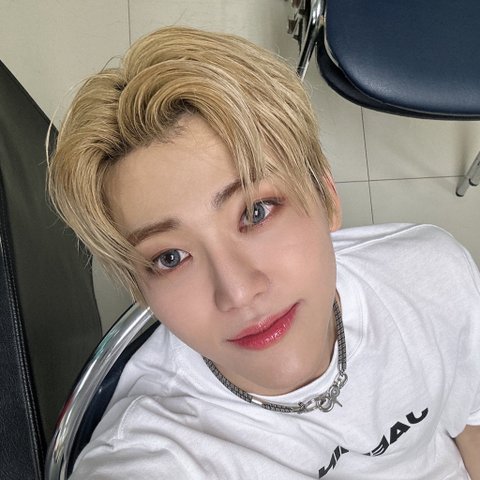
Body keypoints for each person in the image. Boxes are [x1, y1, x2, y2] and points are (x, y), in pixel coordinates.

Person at [48, 26, 480, 479]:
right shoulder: (153, 455)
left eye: (256, 212)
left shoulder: (432, 278)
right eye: (170, 257)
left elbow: (470, 421)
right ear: (140, 288)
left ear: (326, 195)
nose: (237, 292)